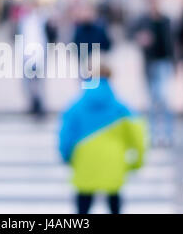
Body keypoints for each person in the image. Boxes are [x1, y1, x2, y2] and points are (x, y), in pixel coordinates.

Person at [59, 66, 148, 214]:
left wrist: (68, 158)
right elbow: (138, 139)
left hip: (84, 164)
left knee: (83, 205)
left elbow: (65, 139)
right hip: (114, 165)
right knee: (114, 202)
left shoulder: (75, 108)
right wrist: (135, 164)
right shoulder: (122, 109)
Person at [131, 0, 175, 147]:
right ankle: (152, 135)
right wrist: (140, 38)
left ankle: (168, 135)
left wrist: (174, 63)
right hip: (149, 63)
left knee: (163, 100)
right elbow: (129, 33)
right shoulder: (142, 20)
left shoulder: (165, 20)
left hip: (163, 63)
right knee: (151, 102)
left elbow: (171, 43)